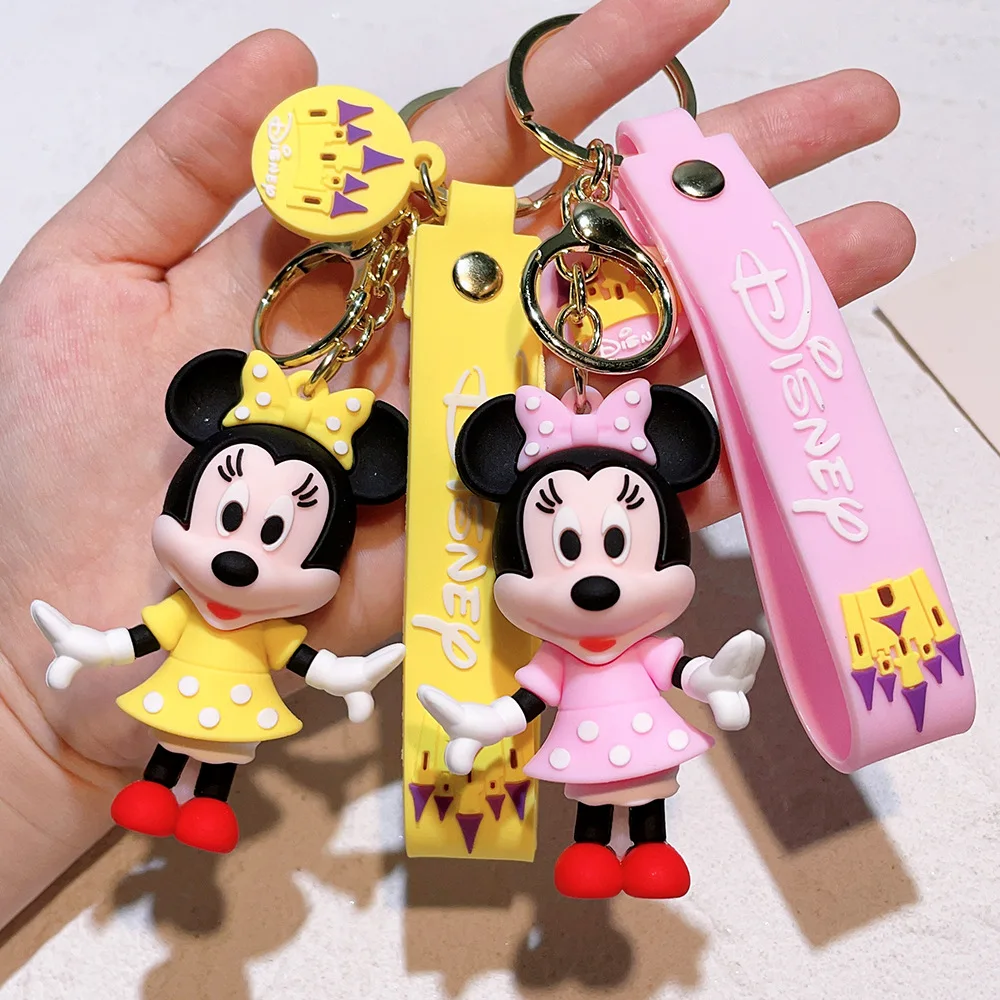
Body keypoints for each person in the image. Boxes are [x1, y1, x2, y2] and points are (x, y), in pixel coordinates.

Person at [0, 0, 915, 930]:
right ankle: (598, 848)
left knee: (633, 789)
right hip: (196, 689)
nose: (595, 582)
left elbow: (558, 684)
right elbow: (268, 649)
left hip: (614, 722)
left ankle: (632, 849)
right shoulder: (229, 600)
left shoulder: (610, 642)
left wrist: (704, 680)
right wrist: (41, 678)